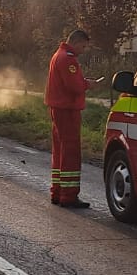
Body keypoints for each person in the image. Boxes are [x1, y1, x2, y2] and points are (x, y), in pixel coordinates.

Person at [45, 28, 102, 208]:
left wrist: (82, 82)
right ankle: (69, 195)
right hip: (67, 110)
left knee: (60, 151)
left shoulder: (58, 55)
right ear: (76, 42)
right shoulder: (68, 59)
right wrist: (88, 84)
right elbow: (74, 86)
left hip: (58, 108)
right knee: (70, 152)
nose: (83, 50)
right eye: (83, 46)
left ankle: (57, 191)